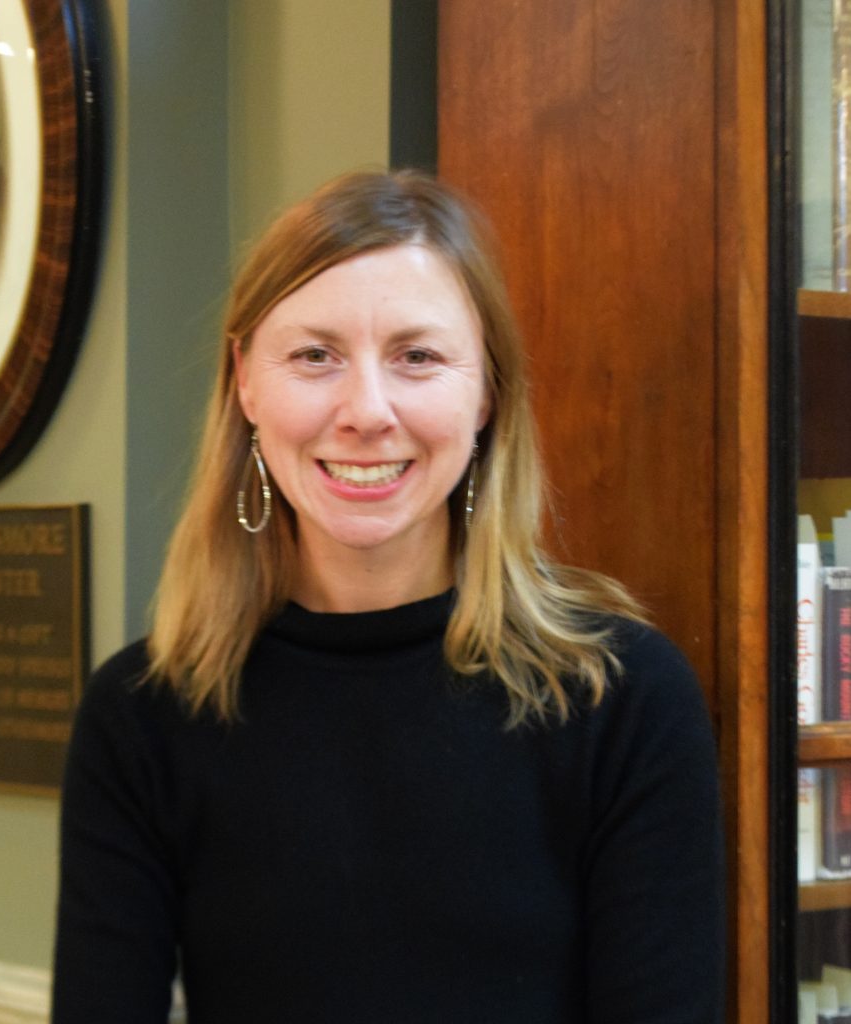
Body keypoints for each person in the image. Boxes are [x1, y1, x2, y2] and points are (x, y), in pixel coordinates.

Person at [52, 170, 725, 1023]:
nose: (366, 410)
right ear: (246, 384)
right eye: (313, 356)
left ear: (485, 392)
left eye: (418, 356)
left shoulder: (621, 696)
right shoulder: (142, 716)